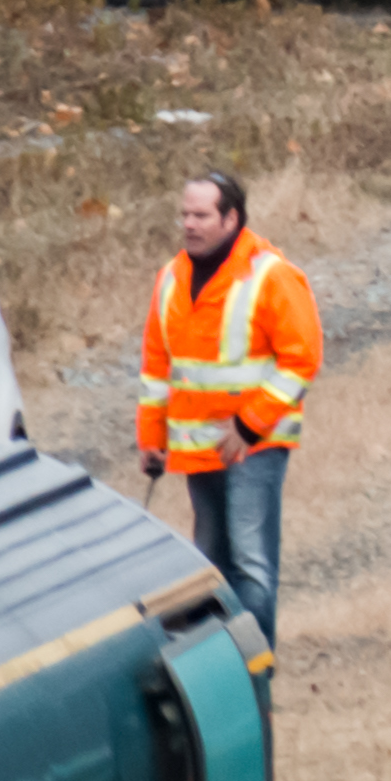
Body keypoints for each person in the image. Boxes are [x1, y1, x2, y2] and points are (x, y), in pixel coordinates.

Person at [135, 170, 318, 643]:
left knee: (251, 564)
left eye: (201, 215)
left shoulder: (271, 275)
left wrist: (250, 426)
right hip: (200, 449)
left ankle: (254, 673)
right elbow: (157, 368)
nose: (189, 224)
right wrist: (151, 439)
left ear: (231, 218)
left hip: (254, 447)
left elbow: (302, 358)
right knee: (209, 563)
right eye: (185, 214)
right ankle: (222, 668)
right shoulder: (170, 279)